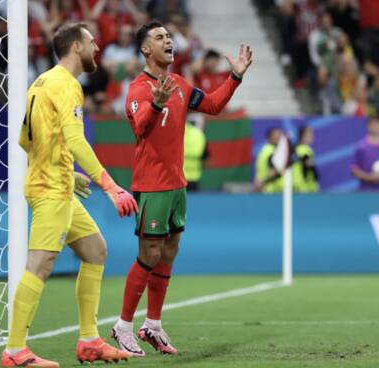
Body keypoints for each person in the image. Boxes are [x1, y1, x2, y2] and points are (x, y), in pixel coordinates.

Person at [111, 21, 252, 356]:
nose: (168, 41)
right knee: (149, 254)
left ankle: (153, 325)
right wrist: (157, 103)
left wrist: (235, 77)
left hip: (176, 183)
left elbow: (214, 106)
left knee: (169, 252)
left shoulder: (179, 84)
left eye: (169, 37)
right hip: (152, 184)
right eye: (159, 38)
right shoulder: (138, 89)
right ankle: (123, 326)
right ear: (145, 49)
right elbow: (141, 128)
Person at [1, 22, 138, 367]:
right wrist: (109, 184)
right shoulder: (68, 85)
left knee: (95, 250)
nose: (97, 48)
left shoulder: (42, 81)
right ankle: (15, 350)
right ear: (76, 47)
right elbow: (76, 139)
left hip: (55, 181)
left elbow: (26, 139)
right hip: (50, 190)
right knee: (41, 263)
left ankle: (89, 340)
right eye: (92, 42)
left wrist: (66, 169)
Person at [254, 127, 284, 193]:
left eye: (280, 135)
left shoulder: (264, 150)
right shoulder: (273, 152)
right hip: (273, 190)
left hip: (265, 189)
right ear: (270, 137)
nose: (280, 138)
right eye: (277, 135)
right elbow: (272, 172)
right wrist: (263, 183)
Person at [292, 125, 319, 193]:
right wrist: (316, 176)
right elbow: (308, 166)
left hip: (296, 184)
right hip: (305, 186)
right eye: (310, 135)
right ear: (303, 136)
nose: (312, 137)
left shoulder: (296, 149)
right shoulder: (305, 149)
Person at [183, 120, 208, 191]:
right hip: (194, 176)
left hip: (177, 176)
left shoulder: (176, 131)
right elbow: (205, 156)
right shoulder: (199, 134)